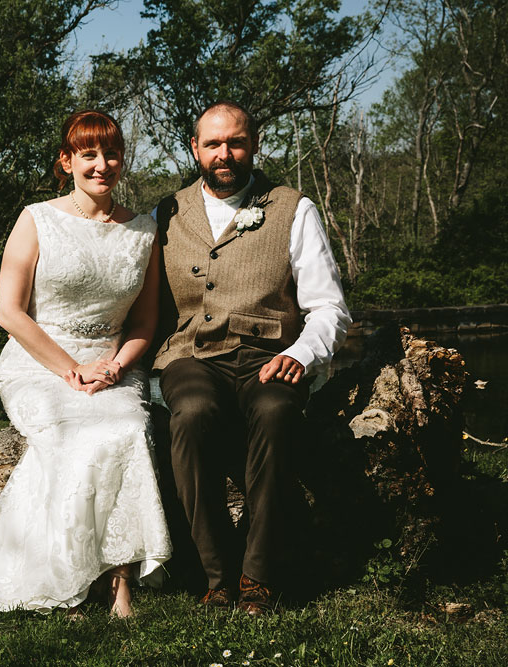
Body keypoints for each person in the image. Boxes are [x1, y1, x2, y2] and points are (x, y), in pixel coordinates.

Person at [0, 110, 172, 617]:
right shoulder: (36, 218)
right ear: (67, 161)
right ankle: (69, 572)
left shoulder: (146, 231)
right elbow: (9, 312)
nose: (102, 164)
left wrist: (115, 366)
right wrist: (70, 369)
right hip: (37, 361)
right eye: (89, 155)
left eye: (111, 154)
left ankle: (119, 578)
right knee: (71, 435)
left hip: (113, 366)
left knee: (127, 427)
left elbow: (146, 324)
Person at [153, 100, 350, 615]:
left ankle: (258, 576)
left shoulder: (292, 207)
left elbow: (328, 306)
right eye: (213, 143)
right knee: (192, 414)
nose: (224, 153)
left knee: (274, 412)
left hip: (270, 355)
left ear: (254, 145)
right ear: (194, 148)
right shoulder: (165, 213)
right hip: (191, 356)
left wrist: (302, 354)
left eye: (235, 142)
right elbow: (144, 307)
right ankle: (216, 575)